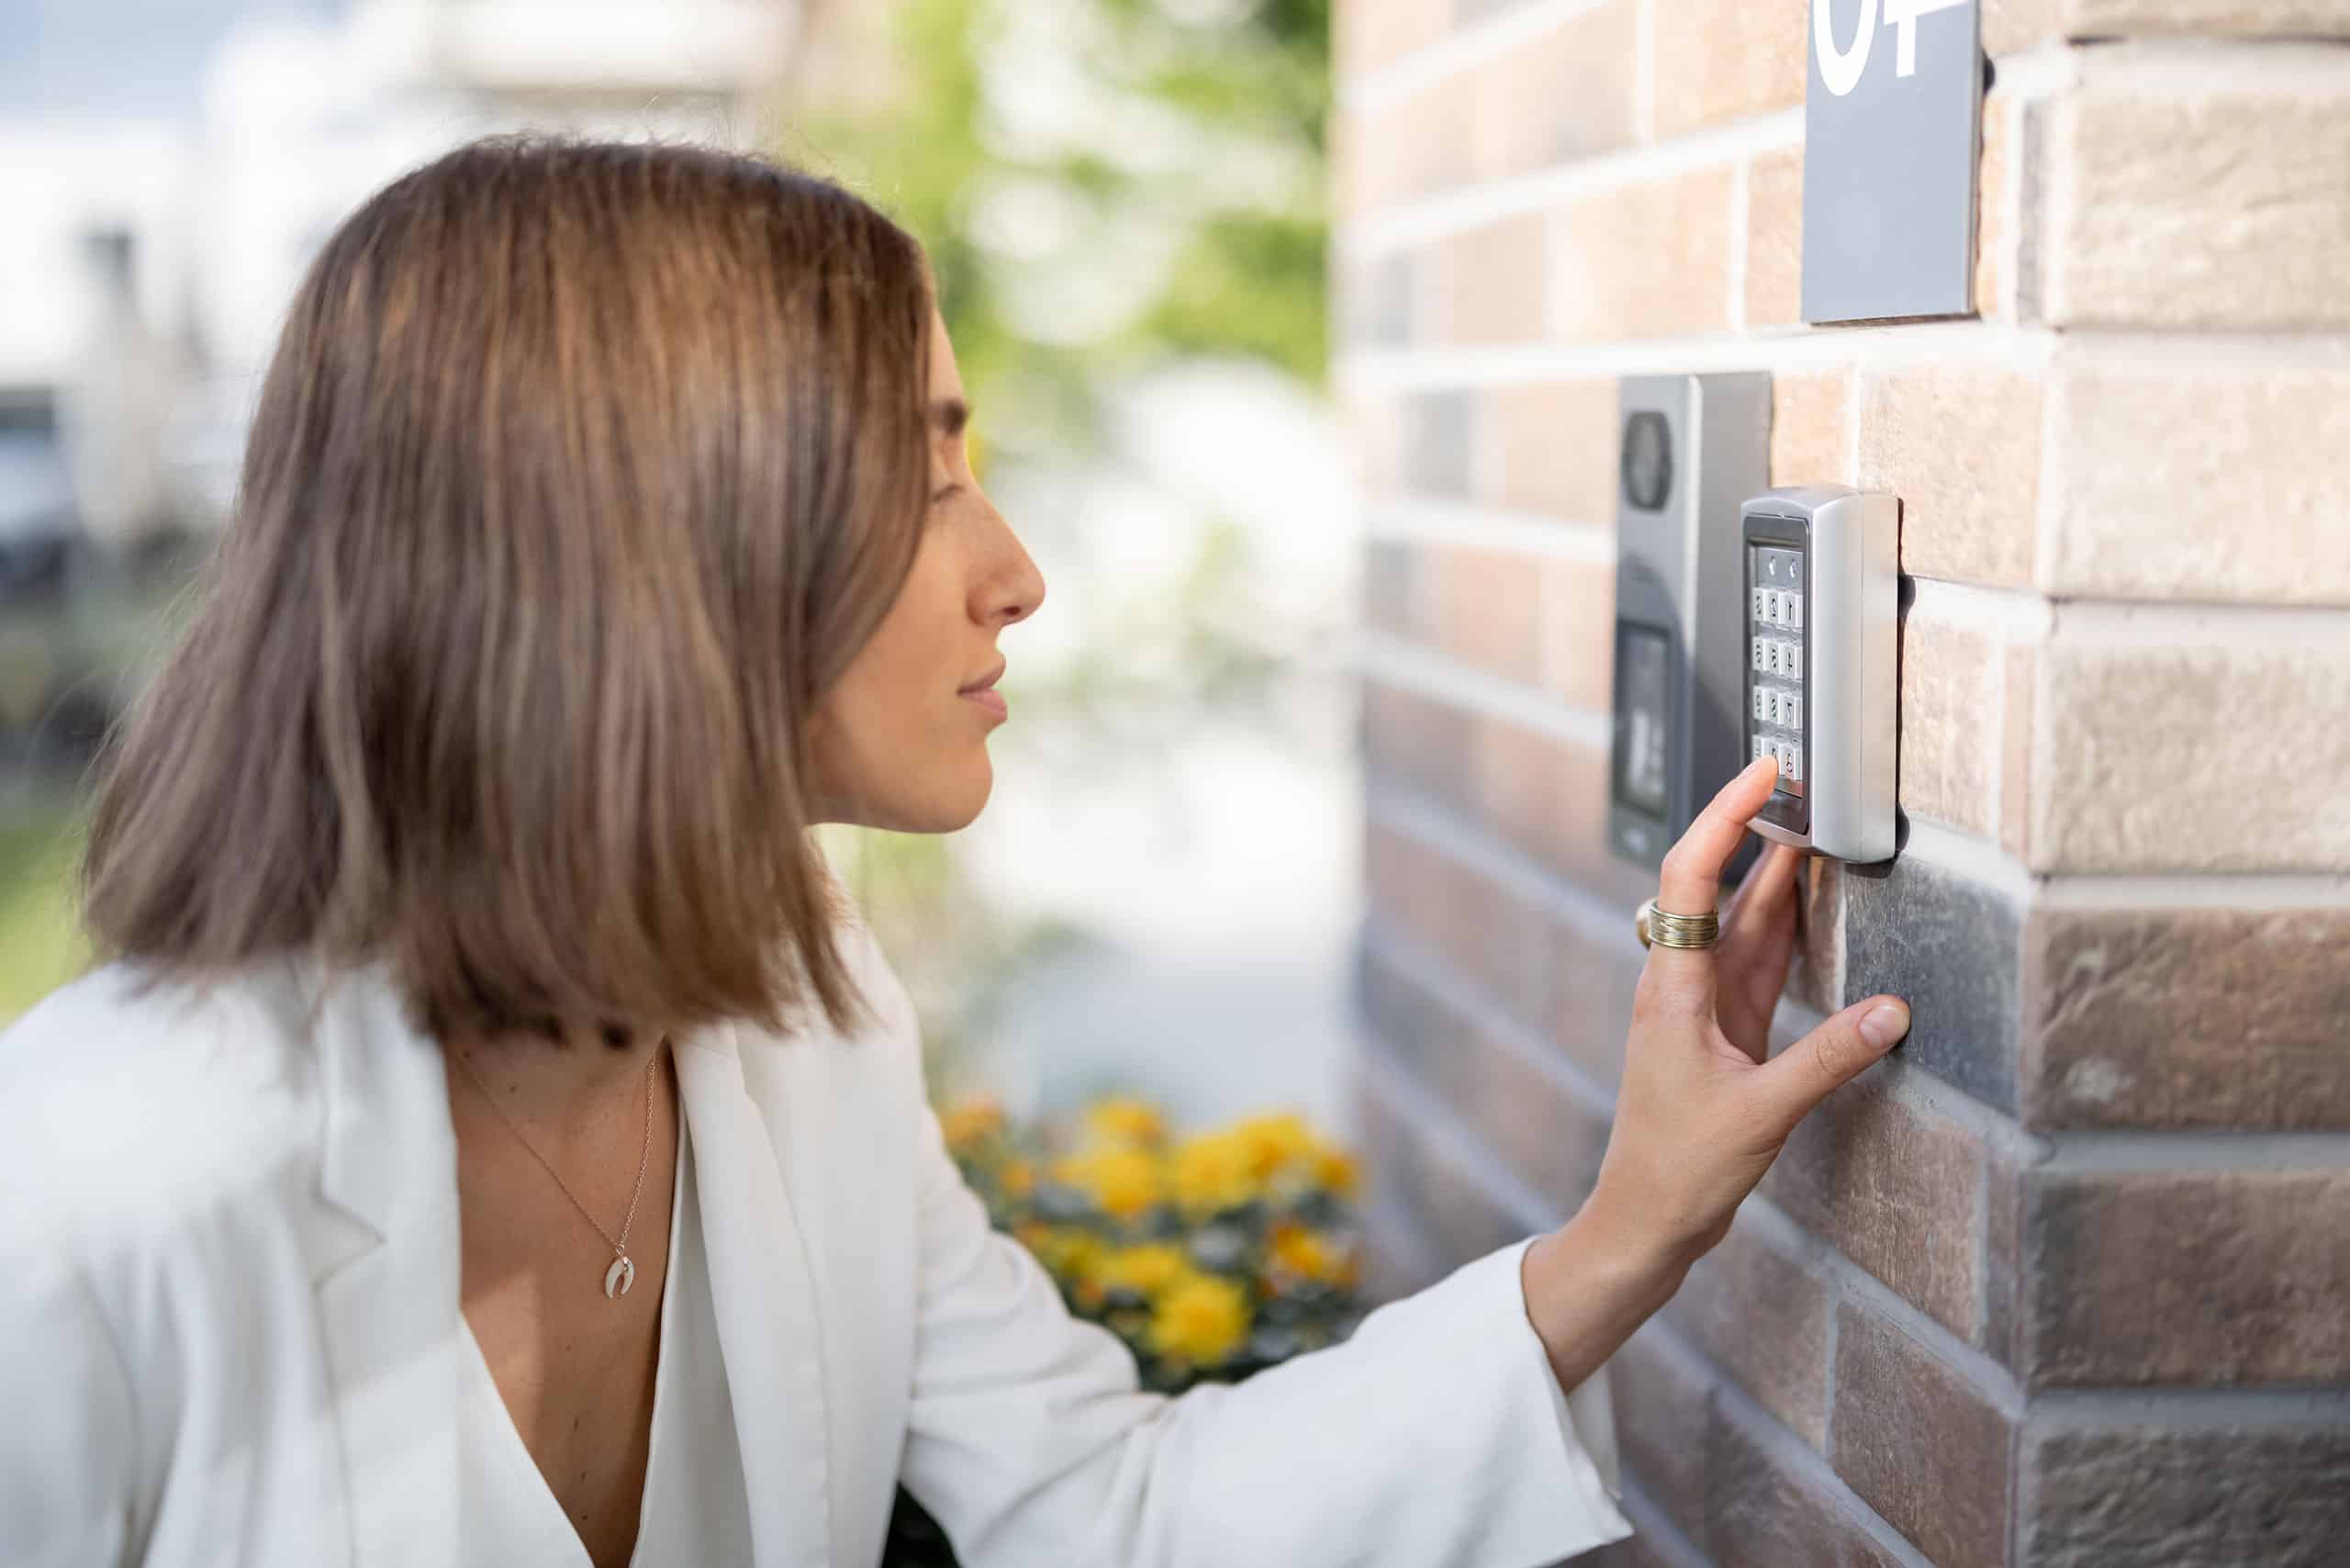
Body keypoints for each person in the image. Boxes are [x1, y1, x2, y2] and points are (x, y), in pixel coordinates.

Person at [0, 139, 1912, 1568]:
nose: (1013, 568)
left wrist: (1629, 1220)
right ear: (652, 558)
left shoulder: (796, 1019)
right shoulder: (86, 1195)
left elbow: (1108, 1512)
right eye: (922, 479)